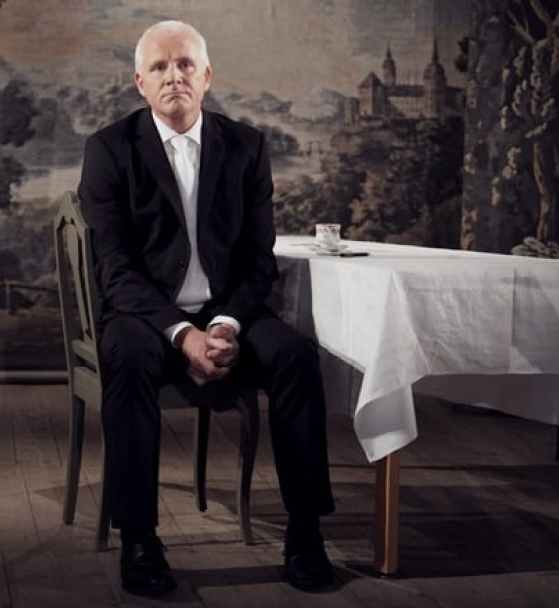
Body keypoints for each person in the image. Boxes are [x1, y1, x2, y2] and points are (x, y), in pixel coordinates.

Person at [77, 20, 335, 596]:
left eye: (185, 65)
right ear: (139, 82)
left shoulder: (247, 146)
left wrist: (223, 325)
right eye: (160, 67)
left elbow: (258, 261)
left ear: (207, 76)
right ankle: (139, 539)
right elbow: (114, 271)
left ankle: (305, 533)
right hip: (145, 320)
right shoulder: (109, 149)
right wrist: (183, 335)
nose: (174, 76)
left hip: (228, 315)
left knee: (296, 357)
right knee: (127, 359)